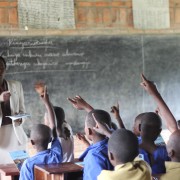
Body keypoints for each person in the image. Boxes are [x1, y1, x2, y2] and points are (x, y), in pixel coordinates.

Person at [19, 88, 63, 180]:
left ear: (32, 142)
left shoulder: (28, 164)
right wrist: (47, 103)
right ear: (51, 140)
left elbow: (53, 126)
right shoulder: (56, 156)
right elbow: (53, 126)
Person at [0, 56, 28, 164]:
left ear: (5, 69)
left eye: (2, 67)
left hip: (16, 135)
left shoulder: (16, 85)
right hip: (1, 139)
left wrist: (20, 119)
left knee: (20, 167)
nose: (0, 71)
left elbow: (22, 110)